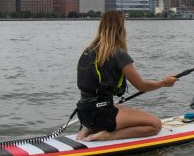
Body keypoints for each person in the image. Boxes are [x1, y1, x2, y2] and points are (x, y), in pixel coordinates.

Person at [75, 10, 177, 142]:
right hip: (102, 116)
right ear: (120, 28)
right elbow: (142, 86)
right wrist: (164, 83)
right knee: (155, 125)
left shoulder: (88, 51)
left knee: (116, 106)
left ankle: (89, 129)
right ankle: (107, 135)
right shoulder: (118, 54)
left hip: (84, 114)